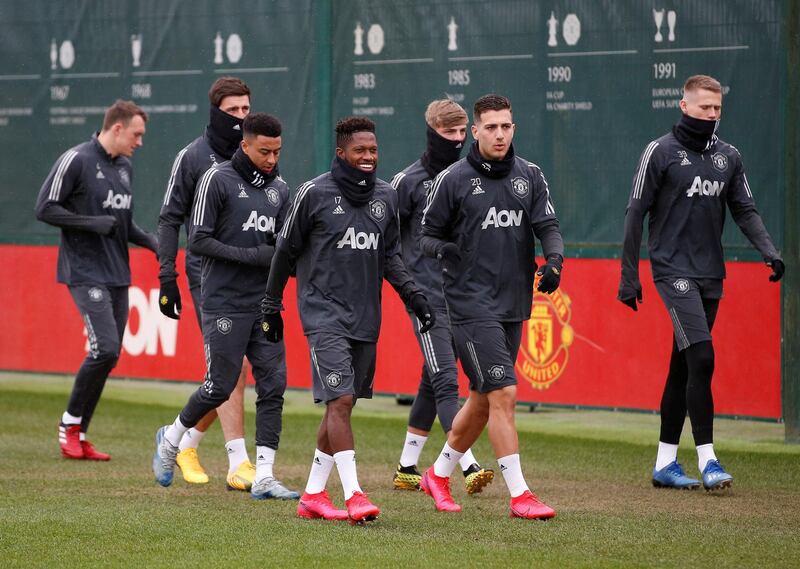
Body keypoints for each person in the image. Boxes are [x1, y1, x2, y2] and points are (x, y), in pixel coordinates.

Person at [261, 116, 435, 523]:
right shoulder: (313, 193)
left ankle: (312, 495)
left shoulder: (387, 197)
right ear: (341, 153)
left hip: (365, 318)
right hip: (322, 314)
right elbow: (285, 251)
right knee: (339, 400)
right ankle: (354, 493)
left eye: (373, 150)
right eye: (360, 150)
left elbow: (391, 255)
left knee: (343, 405)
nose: (369, 157)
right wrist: (270, 304)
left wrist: (415, 295)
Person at [618, 74, 784, 492]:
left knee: (683, 366)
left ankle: (665, 464)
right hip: (672, 271)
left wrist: (769, 250)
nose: (712, 116)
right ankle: (709, 460)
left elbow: (744, 209)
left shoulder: (729, 156)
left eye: (718, 110)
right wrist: (628, 275)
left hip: (711, 273)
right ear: (685, 105)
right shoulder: (660, 152)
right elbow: (636, 212)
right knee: (704, 357)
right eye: (705, 108)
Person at [418, 94, 563, 519]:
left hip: (513, 301)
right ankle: (520, 495)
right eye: (491, 127)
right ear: (476, 132)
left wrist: (554, 260)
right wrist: (445, 248)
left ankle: (438, 475)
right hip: (468, 303)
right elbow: (425, 236)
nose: (499, 134)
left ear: (513, 128)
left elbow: (548, 226)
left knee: (483, 398)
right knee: (503, 391)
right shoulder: (453, 179)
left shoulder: (530, 176)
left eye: (506, 126)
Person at [152, 113, 298, 500]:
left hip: (265, 303)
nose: (271, 158)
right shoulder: (217, 180)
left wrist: (287, 260)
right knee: (219, 385)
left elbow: (283, 248)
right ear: (244, 145)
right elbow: (198, 240)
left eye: (277, 151)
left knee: (274, 385)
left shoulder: (281, 189)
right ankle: (171, 441)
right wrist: (253, 256)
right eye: (264, 151)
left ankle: (264, 475)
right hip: (224, 302)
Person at [35, 99, 157, 461]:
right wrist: (91, 224)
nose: (140, 142)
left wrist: (151, 241)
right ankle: (69, 426)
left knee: (110, 355)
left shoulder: (124, 169)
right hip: (85, 270)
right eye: (136, 134)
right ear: (117, 128)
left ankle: (80, 432)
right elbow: (44, 208)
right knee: (104, 348)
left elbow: (121, 223)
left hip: (118, 273)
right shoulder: (76, 159)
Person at [389, 99, 493, 494]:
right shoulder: (407, 182)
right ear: (432, 132)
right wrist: (406, 283)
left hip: (462, 294)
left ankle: (406, 466)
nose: (458, 139)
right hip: (424, 296)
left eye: (462, 132)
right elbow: (386, 239)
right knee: (447, 379)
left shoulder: (471, 177)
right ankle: (466, 464)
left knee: (432, 379)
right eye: (450, 133)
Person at [157, 77, 256, 489]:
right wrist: (167, 275)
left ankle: (182, 439)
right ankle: (239, 462)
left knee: (238, 367)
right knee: (230, 367)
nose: (241, 118)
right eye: (233, 111)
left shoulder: (256, 154)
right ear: (216, 111)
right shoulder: (193, 157)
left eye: (246, 110)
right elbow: (169, 219)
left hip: (248, 273)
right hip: (207, 275)